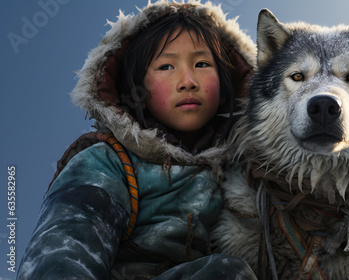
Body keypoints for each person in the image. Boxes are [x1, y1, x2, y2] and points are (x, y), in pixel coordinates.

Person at [18, 1, 256, 279]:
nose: (188, 81)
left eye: (202, 63)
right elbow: (62, 254)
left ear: (227, 86)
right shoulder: (106, 162)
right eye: (166, 66)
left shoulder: (248, 171)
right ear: (136, 89)